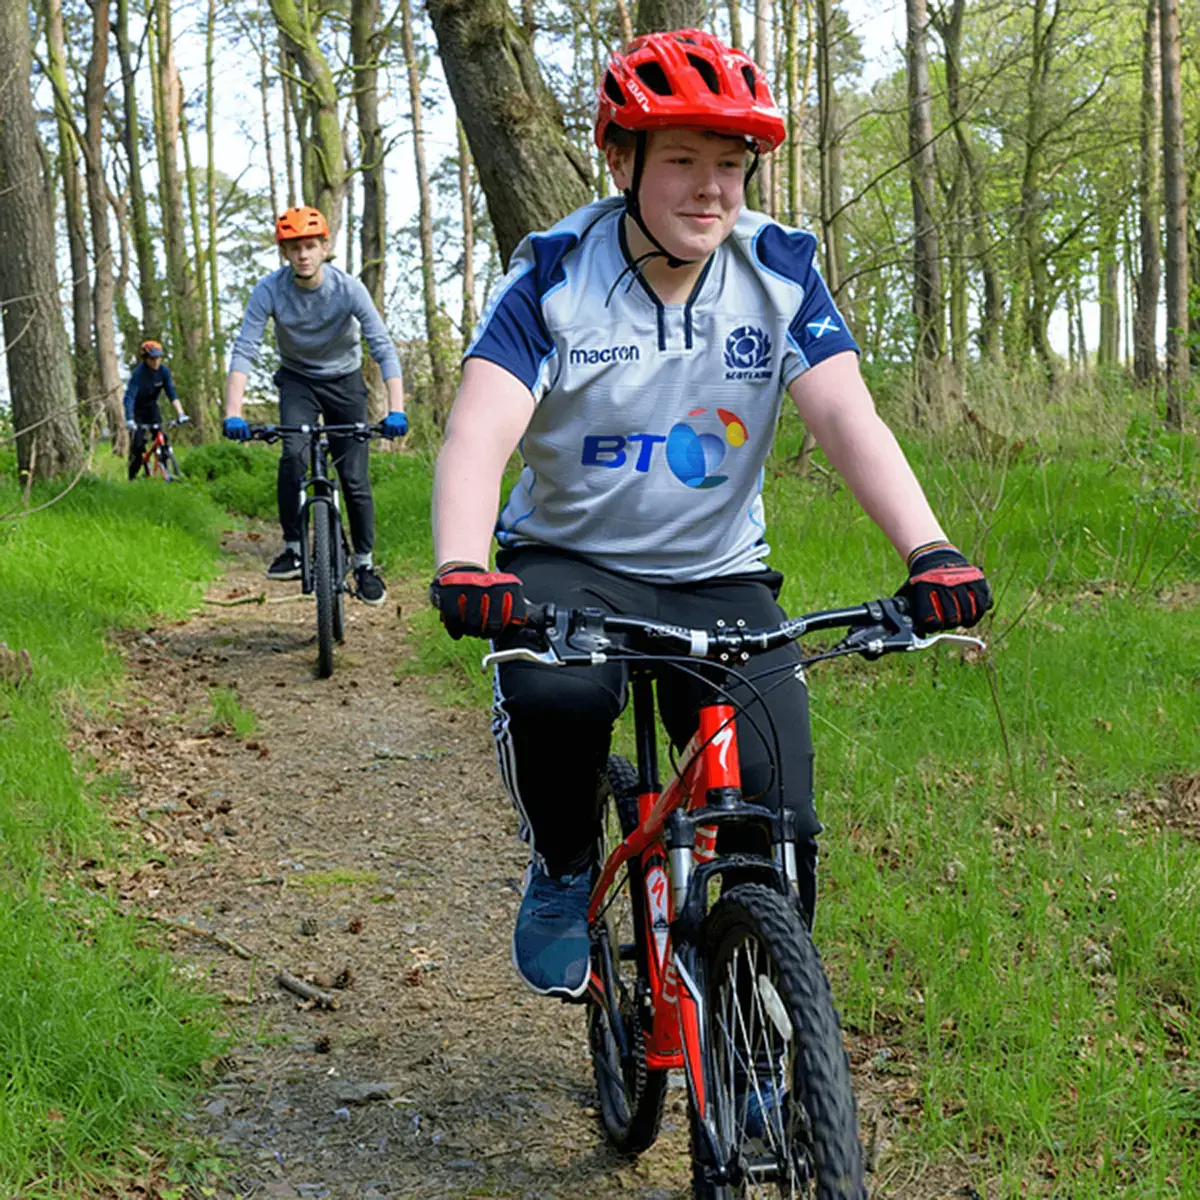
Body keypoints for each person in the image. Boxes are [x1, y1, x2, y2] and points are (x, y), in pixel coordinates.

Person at [429, 30, 992, 1000]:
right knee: (559, 700)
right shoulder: (555, 276)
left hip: (720, 573)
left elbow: (847, 415)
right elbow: (479, 430)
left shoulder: (776, 270)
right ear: (621, 159)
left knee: (778, 814)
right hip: (567, 558)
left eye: (729, 165)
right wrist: (461, 562)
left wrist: (930, 548)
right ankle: (565, 869)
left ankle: (760, 1023)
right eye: (682, 160)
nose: (710, 190)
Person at [222, 206, 408, 606]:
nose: (303, 255)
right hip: (298, 382)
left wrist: (397, 410)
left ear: (325, 247)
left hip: (345, 382)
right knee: (292, 454)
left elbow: (383, 347)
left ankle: (364, 564)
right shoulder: (269, 290)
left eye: (310, 246)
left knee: (355, 478)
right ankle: (292, 546)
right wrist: (232, 413)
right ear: (284, 253)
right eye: (294, 248)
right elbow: (245, 350)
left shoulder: (348, 289)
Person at [124, 340, 188, 480]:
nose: (156, 362)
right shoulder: (138, 373)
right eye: (152, 359)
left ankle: (166, 471)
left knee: (162, 438)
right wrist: (129, 419)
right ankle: (132, 478)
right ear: (146, 359)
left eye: (158, 358)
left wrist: (181, 413)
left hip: (152, 408)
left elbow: (171, 393)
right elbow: (130, 397)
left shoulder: (164, 371)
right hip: (136, 411)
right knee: (138, 445)